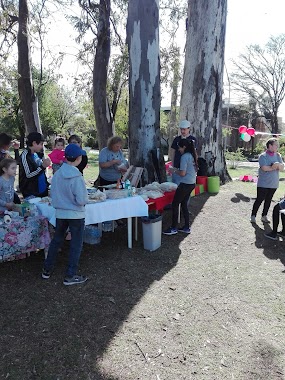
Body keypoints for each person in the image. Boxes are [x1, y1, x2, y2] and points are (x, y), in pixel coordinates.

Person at [42, 143, 88, 286]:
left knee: (57, 241)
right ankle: (70, 275)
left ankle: (47, 269)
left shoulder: (58, 174)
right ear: (78, 158)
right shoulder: (77, 177)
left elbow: (54, 194)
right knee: (76, 244)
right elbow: (81, 200)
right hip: (76, 214)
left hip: (61, 213)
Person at [163, 139, 198, 235]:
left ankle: (173, 228)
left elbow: (182, 173)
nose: (178, 149)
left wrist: (173, 170)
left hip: (185, 184)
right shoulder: (191, 155)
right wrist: (175, 169)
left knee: (175, 204)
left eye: (179, 147)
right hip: (191, 183)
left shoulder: (185, 156)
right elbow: (185, 170)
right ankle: (187, 227)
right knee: (183, 204)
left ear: (184, 147)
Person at [250, 138, 284, 223]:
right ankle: (253, 216)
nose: (277, 146)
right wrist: (274, 166)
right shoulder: (263, 156)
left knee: (268, 200)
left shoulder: (278, 156)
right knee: (259, 200)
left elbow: (282, 168)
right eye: (276, 145)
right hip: (263, 183)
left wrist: (275, 166)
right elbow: (264, 168)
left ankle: (264, 216)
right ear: (270, 146)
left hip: (273, 183)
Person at [19, 132, 51, 199]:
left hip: (42, 189)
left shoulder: (37, 153)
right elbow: (28, 175)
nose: (42, 146)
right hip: (31, 192)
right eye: (41, 144)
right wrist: (43, 166)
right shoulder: (25, 156)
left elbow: (39, 169)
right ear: (34, 143)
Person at [170, 120, 197, 185]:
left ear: (189, 129)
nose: (182, 131)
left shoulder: (192, 140)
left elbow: (195, 153)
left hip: (188, 169)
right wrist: (173, 165)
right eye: (181, 129)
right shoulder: (177, 139)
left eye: (184, 129)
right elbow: (173, 152)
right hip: (177, 167)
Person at [0, 133, 21, 204]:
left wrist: (16, 149)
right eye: (9, 143)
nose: (10, 145)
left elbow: (16, 162)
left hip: (8, 182)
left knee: (16, 201)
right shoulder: (2, 155)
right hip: (2, 183)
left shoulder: (5, 153)